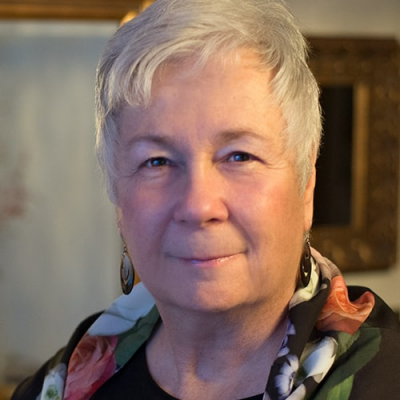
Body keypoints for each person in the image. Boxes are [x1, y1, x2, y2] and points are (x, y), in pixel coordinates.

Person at [12, 0, 400, 399]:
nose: (198, 206)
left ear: (306, 186)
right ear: (118, 201)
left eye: (240, 156)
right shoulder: (65, 381)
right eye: (157, 161)